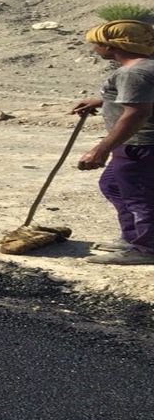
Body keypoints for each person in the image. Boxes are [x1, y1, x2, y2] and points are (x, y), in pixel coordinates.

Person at [70, 19, 154, 264]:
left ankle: (147, 249)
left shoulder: (134, 73)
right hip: (137, 145)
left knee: (139, 197)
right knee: (114, 186)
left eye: (96, 43)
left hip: (140, 145)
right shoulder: (146, 67)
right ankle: (133, 237)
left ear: (112, 46)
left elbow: (137, 112)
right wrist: (103, 101)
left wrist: (101, 148)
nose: (94, 48)